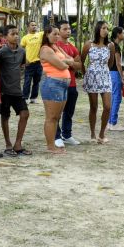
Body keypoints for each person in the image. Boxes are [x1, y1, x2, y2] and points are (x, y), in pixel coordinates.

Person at [0, 24, 32, 156]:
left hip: (17, 91)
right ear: (5, 37)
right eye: (12, 34)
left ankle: (18, 144)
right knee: (5, 116)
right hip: (4, 91)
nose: (16, 36)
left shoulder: (22, 51)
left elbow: (23, 65)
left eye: (17, 33)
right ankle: (8, 145)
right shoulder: (0, 53)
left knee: (25, 114)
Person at [40, 25, 74, 154]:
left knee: (57, 117)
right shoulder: (45, 49)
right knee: (51, 117)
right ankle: (50, 146)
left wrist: (66, 61)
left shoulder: (56, 47)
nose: (57, 36)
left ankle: (53, 143)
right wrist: (67, 62)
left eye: (57, 34)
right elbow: (61, 65)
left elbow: (71, 59)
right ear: (47, 34)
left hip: (62, 85)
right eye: (54, 34)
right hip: (52, 84)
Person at [81, 20, 113, 144]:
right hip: (91, 77)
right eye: (103, 28)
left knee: (107, 106)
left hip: (105, 76)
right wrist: (86, 74)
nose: (105, 30)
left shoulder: (110, 45)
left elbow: (110, 64)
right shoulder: (89, 44)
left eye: (107, 28)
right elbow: (81, 60)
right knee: (93, 107)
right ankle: (93, 133)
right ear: (98, 29)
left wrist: (103, 72)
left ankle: (101, 133)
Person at [55, 20, 82, 146]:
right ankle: (56, 136)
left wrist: (69, 62)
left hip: (71, 84)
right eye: (65, 29)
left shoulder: (72, 47)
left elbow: (78, 65)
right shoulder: (54, 46)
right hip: (58, 83)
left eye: (69, 28)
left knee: (69, 111)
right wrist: (70, 62)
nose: (68, 31)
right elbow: (57, 64)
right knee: (56, 112)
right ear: (58, 31)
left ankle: (67, 134)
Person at [107, 26, 124, 132]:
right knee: (116, 98)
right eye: (123, 33)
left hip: (110, 73)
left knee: (112, 98)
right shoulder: (115, 46)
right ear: (118, 34)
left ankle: (110, 122)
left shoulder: (110, 45)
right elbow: (118, 63)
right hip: (115, 73)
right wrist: (122, 77)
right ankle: (113, 123)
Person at [21, 21, 44, 103]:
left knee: (36, 82)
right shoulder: (25, 38)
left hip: (39, 63)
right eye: (32, 25)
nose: (34, 26)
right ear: (28, 27)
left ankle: (33, 98)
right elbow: (21, 50)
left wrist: (51, 20)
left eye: (35, 25)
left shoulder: (40, 34)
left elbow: (50, 30)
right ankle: (25, 97)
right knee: (27, 81)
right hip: (29, 63)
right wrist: (24, 60)